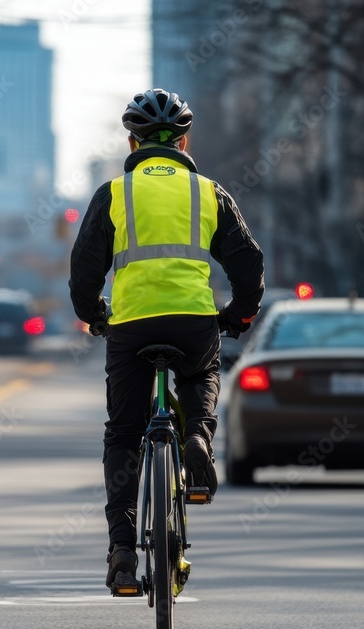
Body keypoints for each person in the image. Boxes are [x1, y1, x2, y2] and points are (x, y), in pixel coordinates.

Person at [68, 89, 265, 595]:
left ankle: (121, 553)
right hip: (193, 321)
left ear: (132, 142)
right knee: (201, 373)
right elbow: (248, 262)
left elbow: (84, 269)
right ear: (184, 141)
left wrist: (94, 316)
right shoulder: (208, 192)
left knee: (123, 434)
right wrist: (239, 313)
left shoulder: (114, 193)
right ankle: (198, 437)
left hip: (131, 326)